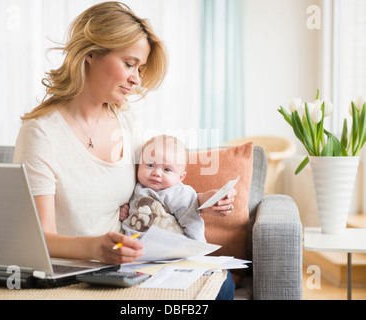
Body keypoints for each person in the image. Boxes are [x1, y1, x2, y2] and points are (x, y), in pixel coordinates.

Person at [13, 2, 236, 298]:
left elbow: (152, 188)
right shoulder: (41, 132)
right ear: (90, 53)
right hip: (76, 273)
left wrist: (203, 200)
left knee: (222, 284)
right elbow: (39, 239)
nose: (136, 78)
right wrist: (96, 246)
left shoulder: (126, 120)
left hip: (127, 266)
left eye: (140, 68)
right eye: (129, 64)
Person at [122, 135, 206, 242]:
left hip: (170, 248)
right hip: (136, 246)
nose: (156, 173)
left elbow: (192, 221)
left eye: (167, 169)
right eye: (150, 165)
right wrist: (126, 212)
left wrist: (197, 248)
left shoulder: (178, 193)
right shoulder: (135, 187)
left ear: (180, 177)